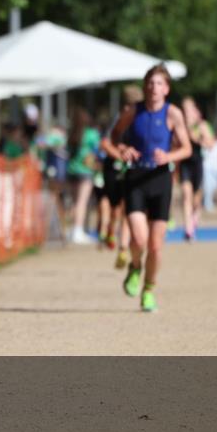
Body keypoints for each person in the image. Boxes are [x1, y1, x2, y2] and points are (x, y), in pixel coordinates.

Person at [102, 64, 191, 312]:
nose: (154, 88)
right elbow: (114, 136)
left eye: (159, 83)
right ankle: (135, 266)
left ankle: (149, 288)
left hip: (161, 180)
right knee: (139, 240)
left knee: (155, 245)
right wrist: (123, 149)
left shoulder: (173, 114)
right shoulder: (133, 111)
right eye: (150, 83)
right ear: (145, 87)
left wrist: (170, 156)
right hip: (136, 178)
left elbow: (187, 148)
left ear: (167, 89)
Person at [98, 86, 144, 267]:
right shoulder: (118, 120)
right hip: (113, 167)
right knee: (115, 208)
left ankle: (123, 248)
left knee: (127, 208)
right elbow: (105, 143)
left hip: (130, 168)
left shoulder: (141, 120)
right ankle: (110, 229)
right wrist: (118, 155)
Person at [179, 97, 215, 240]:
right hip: (185, 164)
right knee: (186, 195)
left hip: (198, 164)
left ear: (195, 110)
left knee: (196, 200)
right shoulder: (180, 125)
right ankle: (188, 229)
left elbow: (210, 144)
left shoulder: (202, 125)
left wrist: (197, 138)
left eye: (189, 108)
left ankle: (194, 219)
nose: (186, 112)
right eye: (184, 108)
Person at [66, 108, 101, 244]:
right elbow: (97, 150)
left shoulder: (72, 133)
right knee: (82, 202)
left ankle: (73, 228)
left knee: (74, 202)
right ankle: (78, 230)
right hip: (85, 171)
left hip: (72, 170)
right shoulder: (91, 134)